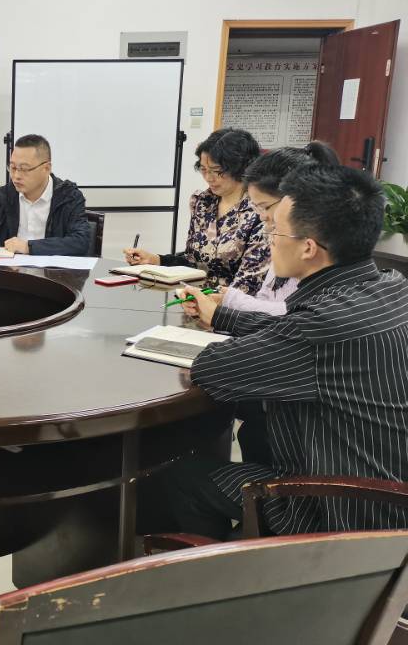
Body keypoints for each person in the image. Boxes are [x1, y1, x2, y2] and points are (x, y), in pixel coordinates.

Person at [141, 161, 408, 539]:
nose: (269, 239)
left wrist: (226, 327)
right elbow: (294, 335)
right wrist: (225, 317)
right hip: (390, 494)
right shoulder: (391, 287)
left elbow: (212, 368)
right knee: (255, 433)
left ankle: (227, 568)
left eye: (274, 230)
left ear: (309, 248)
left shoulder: (317, 326)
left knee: (184, 475)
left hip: (340, 512)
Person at [178, 142, 340, 466]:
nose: (264, 221)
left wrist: (225, 311)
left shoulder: (317, 274)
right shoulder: (380, 286)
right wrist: (225, 307)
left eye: (267, 209)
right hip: (296, 429)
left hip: (314, 468)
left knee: (184, 470)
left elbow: (293, 322)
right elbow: (271, 306)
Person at [124, 128, 269, 294]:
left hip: (231, 304)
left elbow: (250, 282)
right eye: (203, 169)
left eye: (217, 171)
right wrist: (155, 259)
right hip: (192, 298)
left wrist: (210, 300)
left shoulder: (260, 211)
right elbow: (193, 261)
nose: (208, 178)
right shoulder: (203, 202)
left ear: (240, 168)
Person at [0, 134, 93, 256]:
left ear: (46, 168)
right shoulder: (3, 196)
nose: (16, 176)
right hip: (10, 271)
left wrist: (28, 247)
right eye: (13, 168)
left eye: (24, 169)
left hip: (52, 271)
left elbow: (81, 241)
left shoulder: (69, 197)